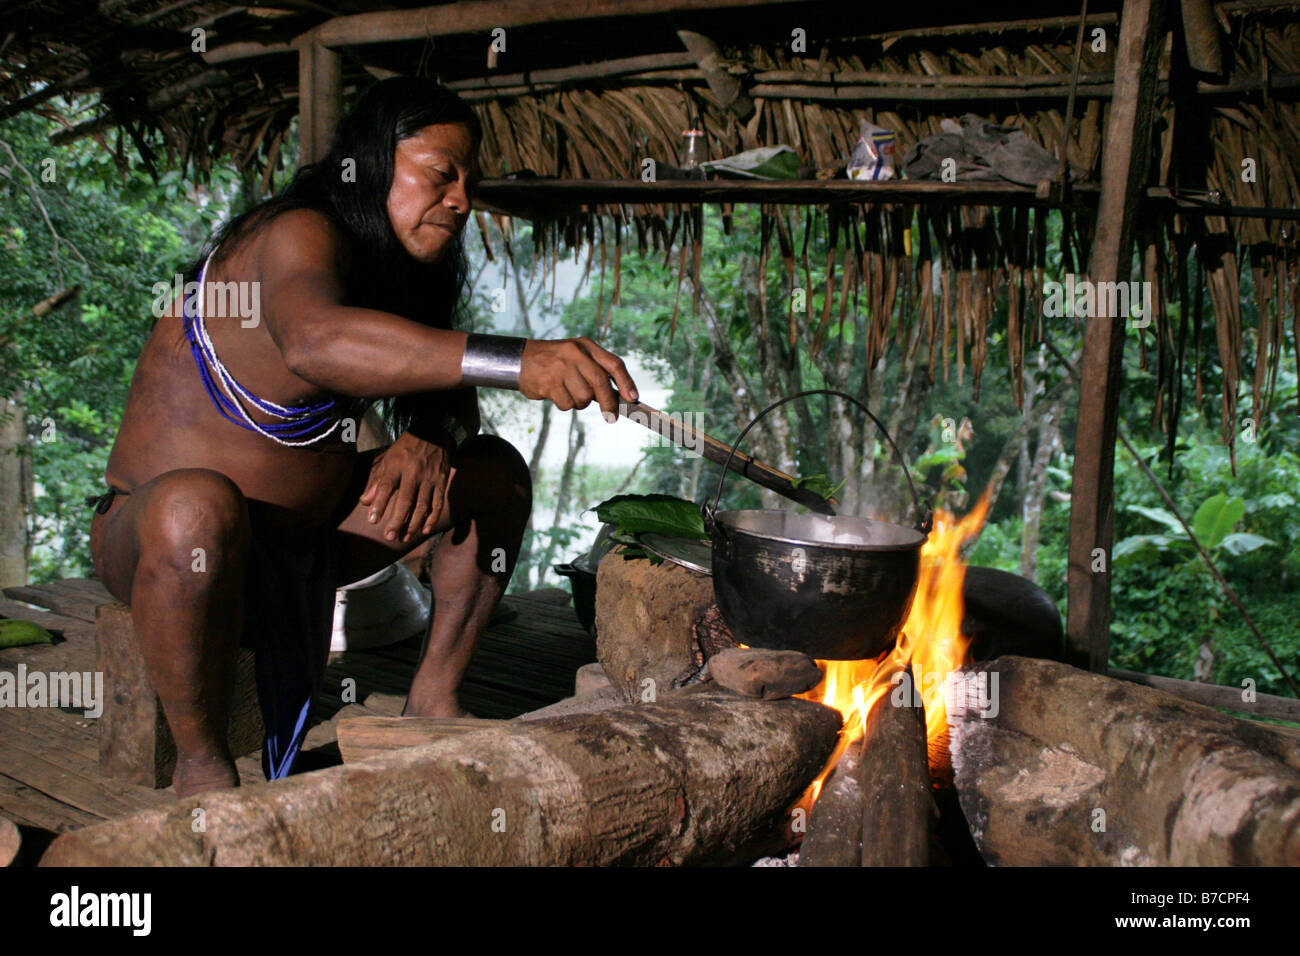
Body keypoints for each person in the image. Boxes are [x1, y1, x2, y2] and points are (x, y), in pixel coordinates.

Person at [87, 77, 638, 797]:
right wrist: (520, 359)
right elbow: (315, 342)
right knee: (196, 505)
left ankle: (430, 702)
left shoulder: (401, 268)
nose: (463, 200)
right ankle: (201, 764)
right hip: (163, 542)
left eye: (470, 182)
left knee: (494, 473)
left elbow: (446, 393)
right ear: (375, 160)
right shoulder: (297, 232)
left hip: (307, 539)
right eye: (442, 174)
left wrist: (431, 438)